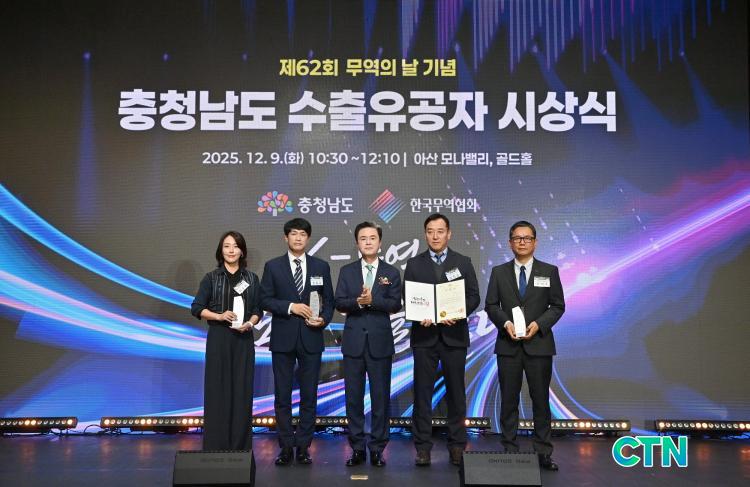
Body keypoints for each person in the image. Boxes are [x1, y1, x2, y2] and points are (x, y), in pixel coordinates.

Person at [484, 221, 565, 471]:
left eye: (527, 238)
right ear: (510, 243)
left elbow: (558, 306)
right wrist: (505, 323)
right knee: (509, 400)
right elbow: (491, 305)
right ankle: (510, 449)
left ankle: (543, 452)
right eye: (517, 238)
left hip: (539, 345)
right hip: (508, 345)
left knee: (540, 400)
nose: (522, 242)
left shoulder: (549, 271)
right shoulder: (499, 272)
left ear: (535, 242)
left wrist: (539, 324)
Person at [403, 213, 480, 466]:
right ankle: (422, 447)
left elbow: (474, 296)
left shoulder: (463, 262)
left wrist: (458, 313)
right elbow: (408, 298)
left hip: (454, 336)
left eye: (440, 231)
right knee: (422, 394)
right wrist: (419, 315)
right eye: (430, 231)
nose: (435, 236)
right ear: (425, 234)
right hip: (424, 337)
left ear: (449, 233)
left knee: (456, 394)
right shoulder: (414, 264)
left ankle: (457, 445)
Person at [259, 218, 334, 466]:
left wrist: (323, 319)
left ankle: (303, 446)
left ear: (308, 238)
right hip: (283, 339)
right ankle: (285, 446)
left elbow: (329, 302)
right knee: (282, 396)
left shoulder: (321, 266)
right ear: (286, 237)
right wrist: (291, 306)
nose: (298, 238)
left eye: (303, 234)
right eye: (294, 233)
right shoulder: (273, 266)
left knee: (309, 395)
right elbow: (265, 300)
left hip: (312, 337)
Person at [335, 222, 402, 468]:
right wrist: (359, 302)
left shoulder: (391, 272)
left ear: (380, 242)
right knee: (353, 398)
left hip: (379, 343)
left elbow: (395, 304)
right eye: (363, 238)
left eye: (372, 238)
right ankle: (357, 448)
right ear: (357, 243)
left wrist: (373, 301)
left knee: (380, 398)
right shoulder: (347, 271)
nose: (368, 242)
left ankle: (377, 448)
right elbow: (339, 302)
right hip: (353, 342)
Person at [191, 231, 261, 451]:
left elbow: (258, 310)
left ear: (242, 251)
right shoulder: (211, 278)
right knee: (217, 391)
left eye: (235, 246)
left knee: (242, 391)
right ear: (220, 251)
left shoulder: (252, 279)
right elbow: (197, 308)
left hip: (243, 340)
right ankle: (216, 447)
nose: (231, 250)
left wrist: (250, 323)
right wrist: (219, 316)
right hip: (219, 339)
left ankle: (240, 449)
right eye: (227, 246)